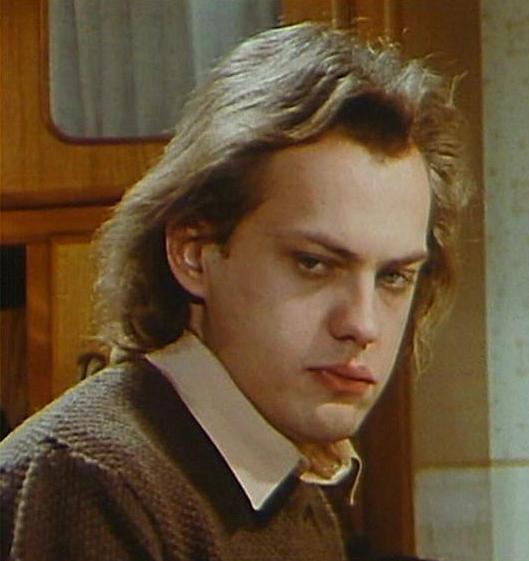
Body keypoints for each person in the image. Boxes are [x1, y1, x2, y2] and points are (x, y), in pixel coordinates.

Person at [0, 22, 471, 561]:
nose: (363, 324)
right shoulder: (92, 480)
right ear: (194, 253)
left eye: (393, 277)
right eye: (313, 264)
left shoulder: (294, 483)